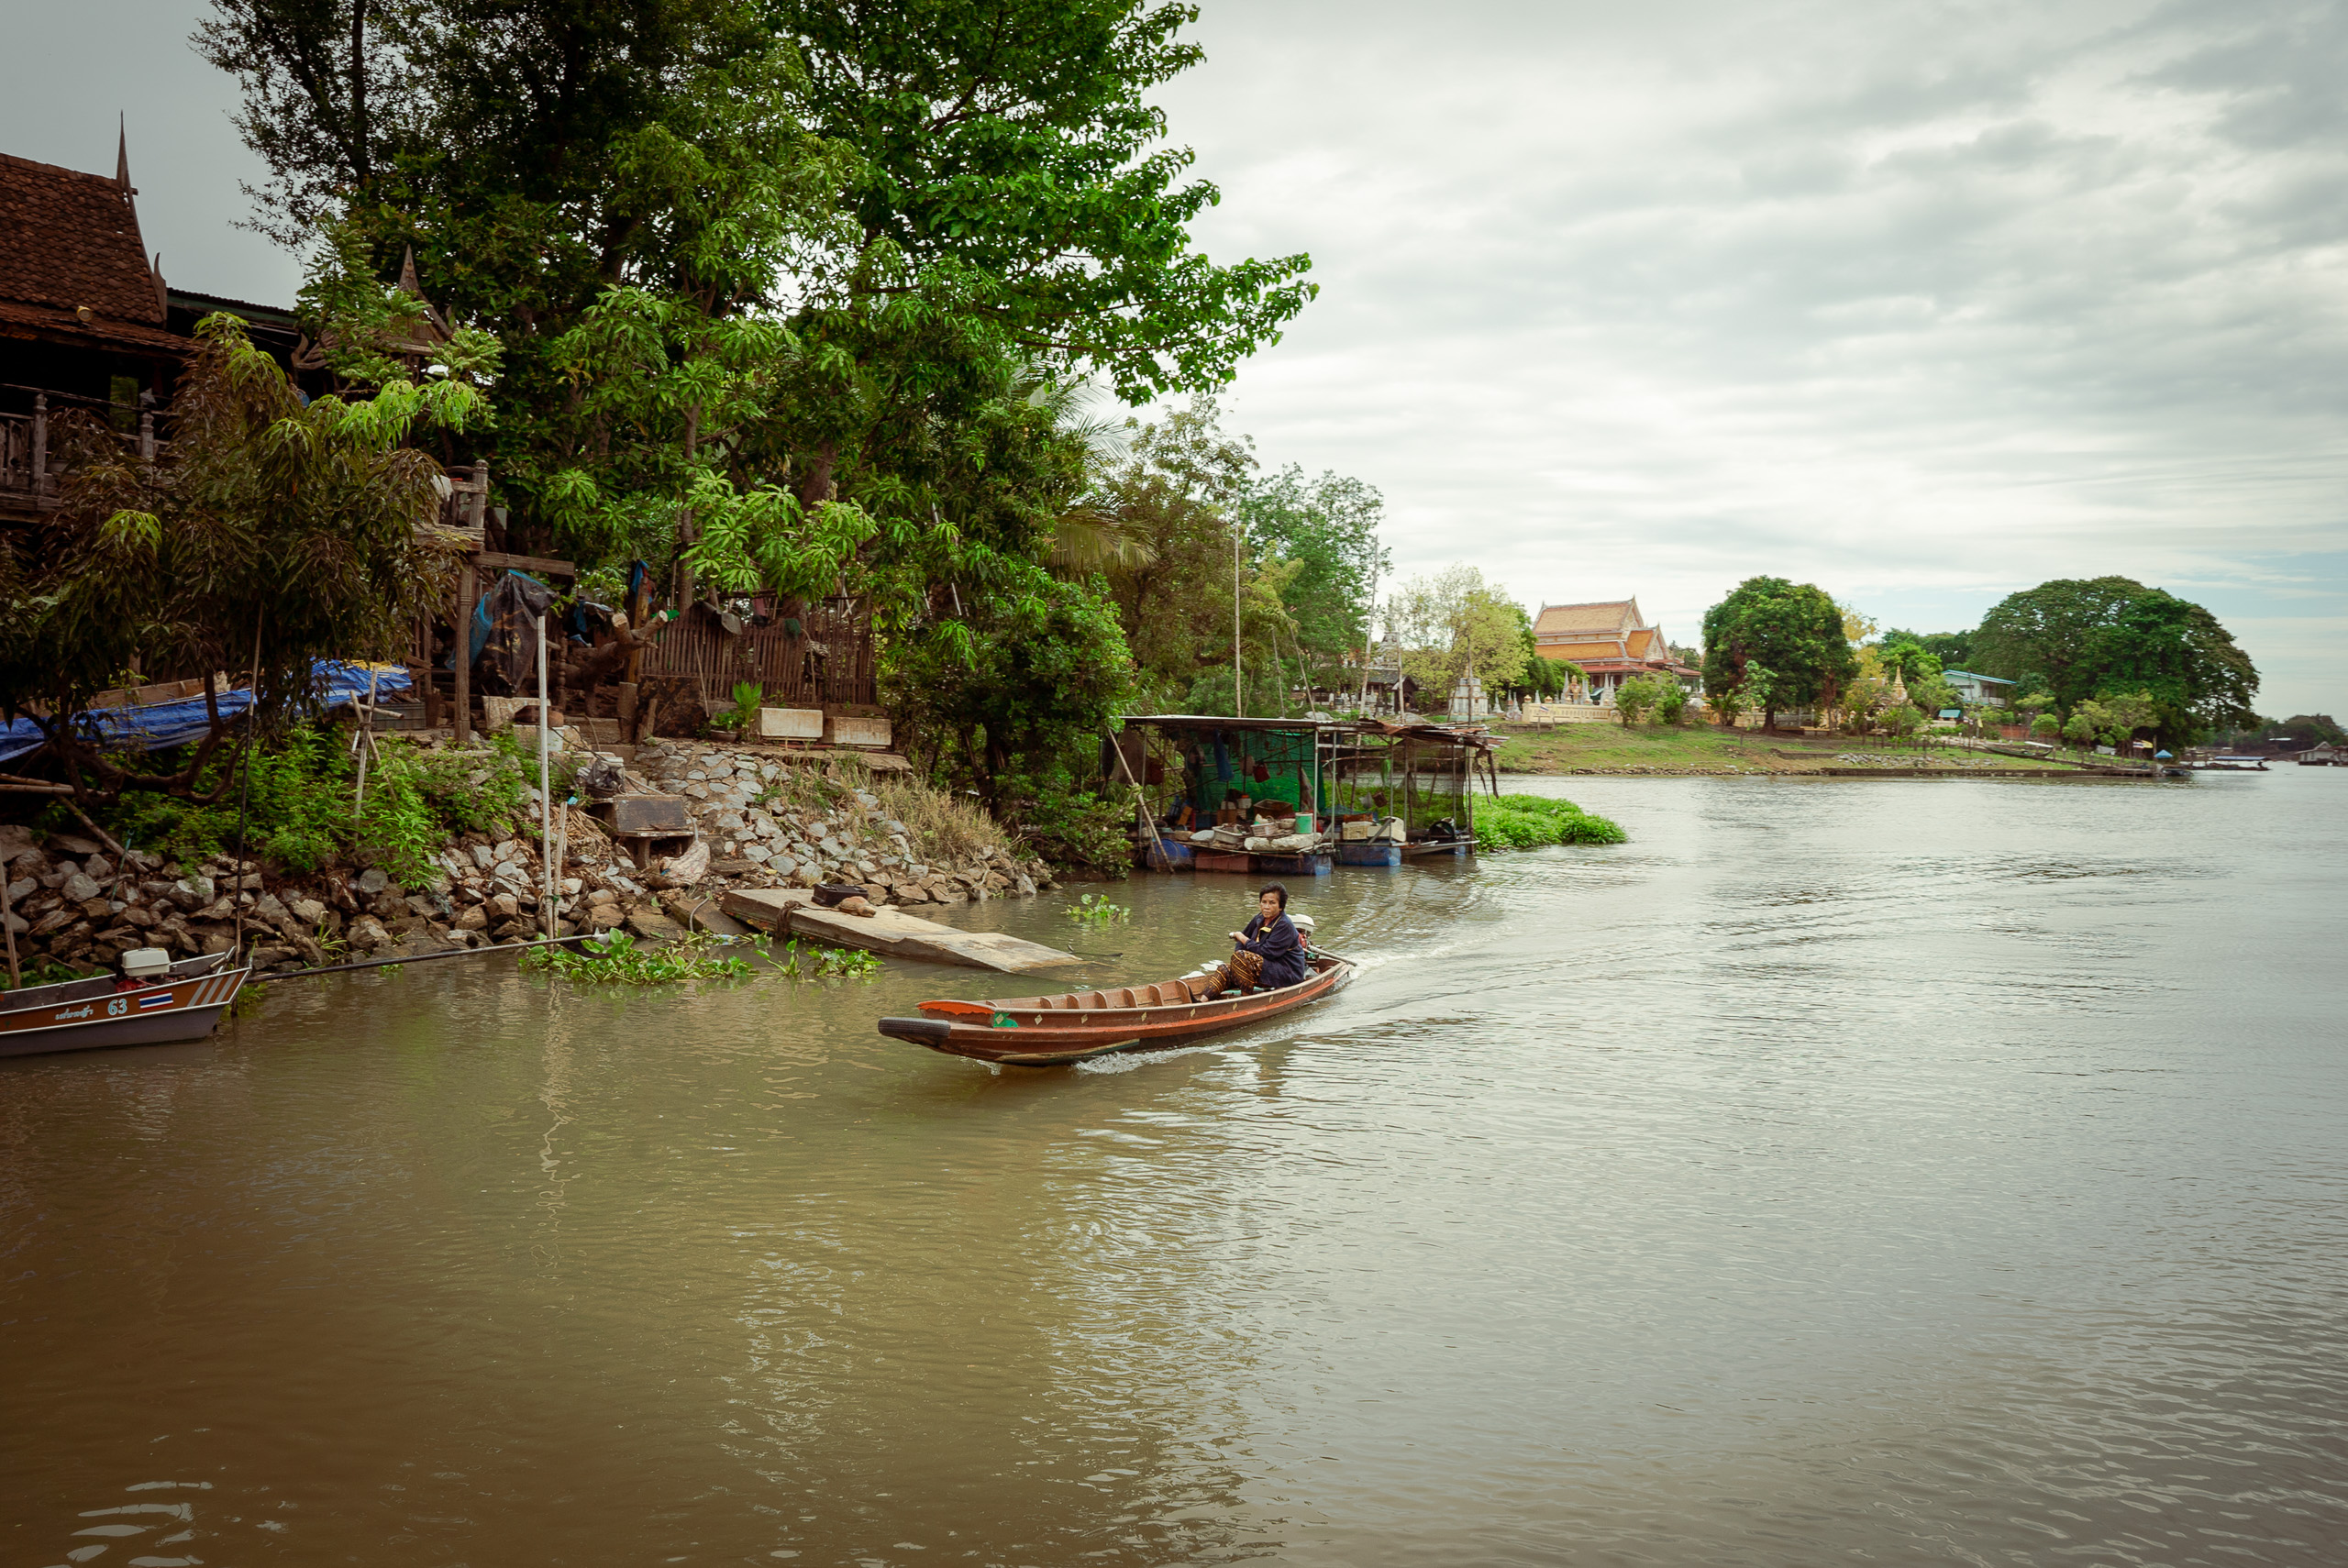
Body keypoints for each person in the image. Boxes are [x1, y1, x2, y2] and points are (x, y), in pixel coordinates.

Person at [1190, 884, 1308, 998]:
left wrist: (1242, 944)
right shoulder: (1259, 918)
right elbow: (1241, 943)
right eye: (1264, 902)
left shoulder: (1284, 925)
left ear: (1280, 906)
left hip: (1287, 973)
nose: (1266, 907)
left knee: (1241, 957)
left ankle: (1246, 998)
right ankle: (1201, 1001)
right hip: (1267, 968)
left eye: (1272, 903)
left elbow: (1267, 952)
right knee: (1224, 969)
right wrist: (1239, 965)